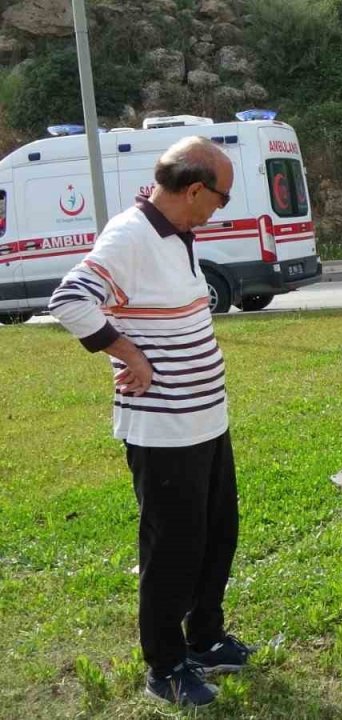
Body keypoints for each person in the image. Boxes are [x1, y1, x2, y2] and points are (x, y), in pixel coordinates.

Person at [47, 136, 253, 707]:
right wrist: (130, 354)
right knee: (174, 550)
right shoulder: (130, 235)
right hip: (163, 432)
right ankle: (165, 666)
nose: (221, 208)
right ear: (193, 190)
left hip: (206, 420)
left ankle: (205, 640)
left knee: (218, 534)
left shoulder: (177, 230)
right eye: (221, 197)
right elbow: (70, 298)